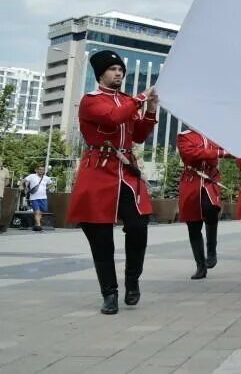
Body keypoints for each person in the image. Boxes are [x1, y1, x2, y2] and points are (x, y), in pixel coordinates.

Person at [67, 50, 158, 315]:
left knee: (139, 226)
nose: (118, 73)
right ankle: (109, 292)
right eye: (113, 69)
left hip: (126, 171)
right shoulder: (91, 101)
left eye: (121, 69)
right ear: (101, 74)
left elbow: (138, 136)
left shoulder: (128, 101)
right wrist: (142, 98)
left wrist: (150, 111)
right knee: (101, 237)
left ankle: (132, 280)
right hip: (98, 170)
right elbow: (112, 118)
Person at [177, 129, 232, 279]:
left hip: (209, 180)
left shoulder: (213, 135)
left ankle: (211, 251)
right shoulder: (184, 136)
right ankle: (200, 265)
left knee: (211, 209)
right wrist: (218, 153)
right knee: (193, 225)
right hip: (192, 181)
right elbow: (191, 154)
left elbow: (228, 151)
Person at [21, 165, 55, 232]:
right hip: (34, 197)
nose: (41, 171)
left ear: (44, 171)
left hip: (43, 197)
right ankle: (39, 226)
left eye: (42, 170)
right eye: (39, 169)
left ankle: (36, 225)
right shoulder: (32, 176)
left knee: (42, 211)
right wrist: (21, 186)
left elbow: (52, 183)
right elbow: (23, 180)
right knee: (37, 212)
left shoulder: (46, 178)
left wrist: (47, 188)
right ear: (36, 170)